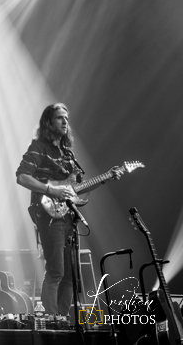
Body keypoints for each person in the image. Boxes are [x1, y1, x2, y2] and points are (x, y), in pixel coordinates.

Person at [15, 103, 122, 315]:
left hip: (68, 216)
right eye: (59, 117)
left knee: (72, 275)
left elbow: (77, 189)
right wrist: (51, 189)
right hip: (48, 215)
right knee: (56, 271)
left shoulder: (68, 154)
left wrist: (107, 177)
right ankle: (52, 320)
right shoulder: (38, 147)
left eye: (66, 118)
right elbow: (22, 177)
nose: (65, 121)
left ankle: (62, 319)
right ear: (48, 122)